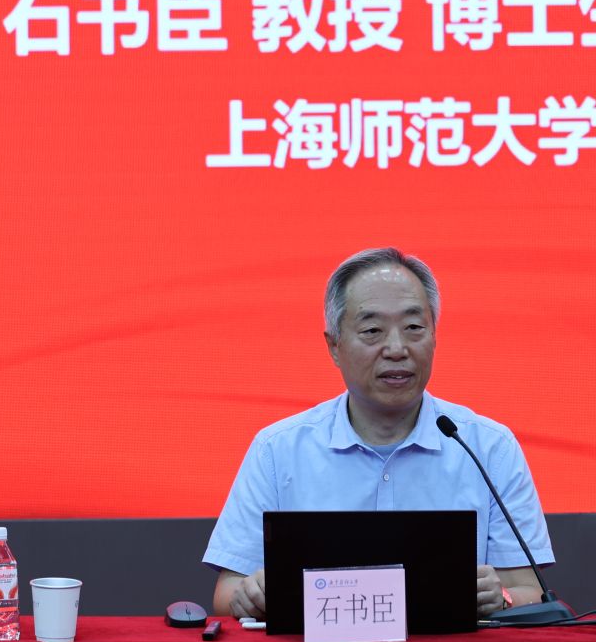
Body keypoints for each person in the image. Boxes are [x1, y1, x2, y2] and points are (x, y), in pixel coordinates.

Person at [205, 247, 554, 620]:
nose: (397, 349)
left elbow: (530, 590)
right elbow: (228, 592)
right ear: (334, 346)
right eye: (372, 331)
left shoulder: (488, 447)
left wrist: (502, 597)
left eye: (414, 328)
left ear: (435, 337)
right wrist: (251, 595)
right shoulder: (278, 450)